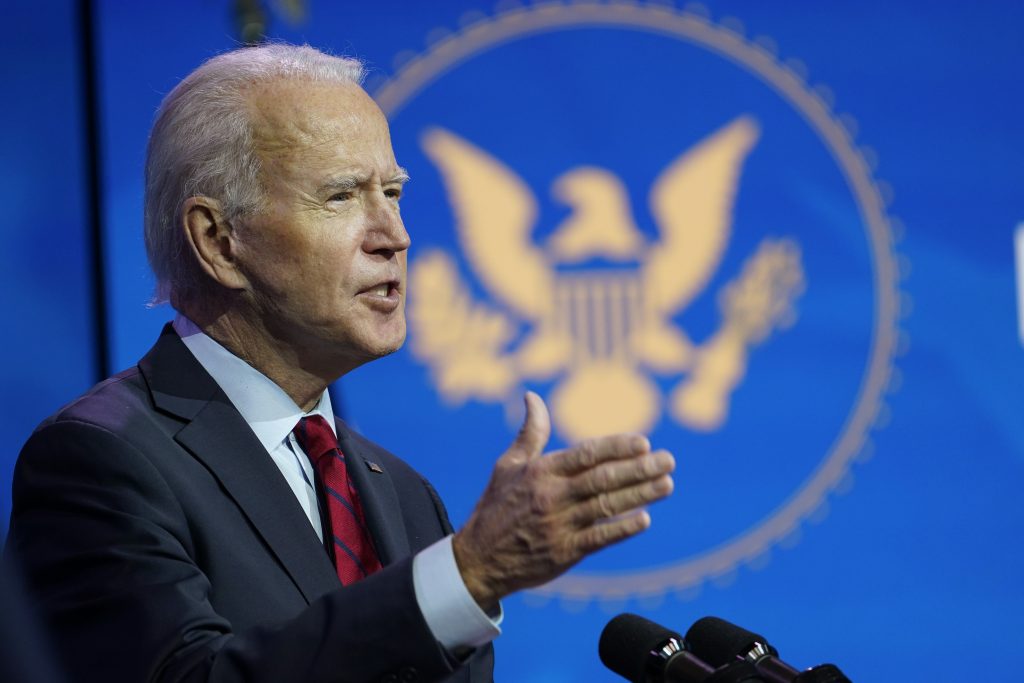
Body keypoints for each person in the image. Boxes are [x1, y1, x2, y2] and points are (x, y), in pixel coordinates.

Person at [7, 44, 675, 683]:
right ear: (219, 242)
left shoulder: (407, 497)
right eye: (342, 197)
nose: (395, 236)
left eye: (394, 193)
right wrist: (464, 576)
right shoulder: (101, 460)